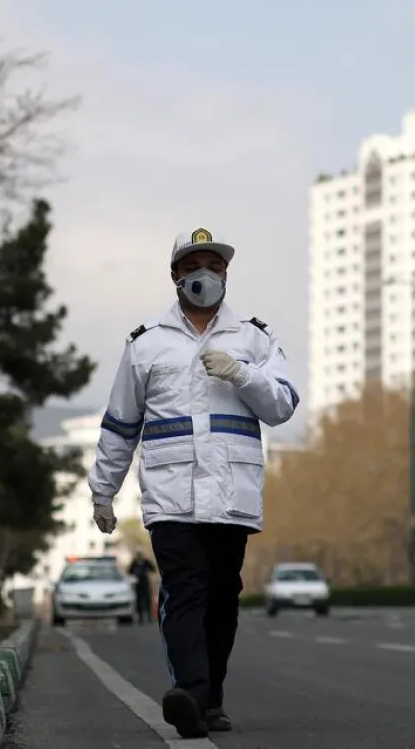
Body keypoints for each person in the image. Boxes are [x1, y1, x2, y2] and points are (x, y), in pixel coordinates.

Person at [87, 228, 299, 738]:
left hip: (231, 496)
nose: (204, 273)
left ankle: (211, 697)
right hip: (171, 496)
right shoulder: (146, 345)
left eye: (214, 264)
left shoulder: (255, 339)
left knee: (223, 597)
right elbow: (120, 424)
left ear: (226, 272)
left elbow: (284, 406)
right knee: (185, 591)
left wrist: (241, 374)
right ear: (175, 275)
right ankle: (190, 692)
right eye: (193, 265)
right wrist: (103, 491)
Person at [127, 551, 156, 625]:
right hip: (138, 583)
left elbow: (153, 569)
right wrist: (135, 572)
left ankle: (149, 616)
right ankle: (140, 617)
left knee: (147, 600)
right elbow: (129, 571)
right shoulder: (135, 562)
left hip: (145, 583)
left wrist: (146, 570)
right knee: (139, 601)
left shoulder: (146, 562)